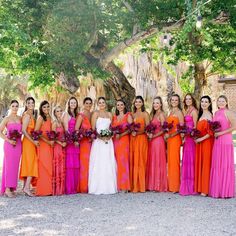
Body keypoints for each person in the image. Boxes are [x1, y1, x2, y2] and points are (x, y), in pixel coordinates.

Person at [88, 97, 117, 195]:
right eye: (99, 102)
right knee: (99, 161)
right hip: (98, 142)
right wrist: (101, 137)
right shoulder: (95, 114)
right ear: (97, 104)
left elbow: (111, 128)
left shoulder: (109, 114)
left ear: (105, 103)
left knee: (108, 161)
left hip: (108, 141)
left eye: (103, 102)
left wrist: (109, 135)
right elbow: (93, 129)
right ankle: (97, 187)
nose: (101, 104)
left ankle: (109, 187)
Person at [209, 95, 236, 198]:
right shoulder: (216, 113)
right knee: (217, 164)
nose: (221, 103)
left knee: (225, 164)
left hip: (225, 141)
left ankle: (226, 191)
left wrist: (221, 133)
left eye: (223, 101)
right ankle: (218, 190)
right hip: (217, 141)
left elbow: (234, 126)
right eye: (219, 101)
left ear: (226, 102)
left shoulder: (229, 112)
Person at [0, 100, 22, 197]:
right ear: (10, 107)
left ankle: (12, 187)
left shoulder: (20, 118)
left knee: (15, 166)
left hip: (18, 144)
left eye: (17, 106)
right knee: (8, 165)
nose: (15, 108)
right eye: (13, 106)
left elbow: (23, 130)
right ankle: (7, 189)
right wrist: (9, 140)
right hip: (9, 145)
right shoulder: (6, 119)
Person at [146, 96, 167, 192]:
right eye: (154, 103)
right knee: (152, 160)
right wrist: (149, 133)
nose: (155, 105)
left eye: (157, 103)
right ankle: (152, 184)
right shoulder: (153, 115)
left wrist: (153, 136)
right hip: (152, 141)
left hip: (158, 140)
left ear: (161, 104)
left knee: (158, 161)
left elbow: (164, 130)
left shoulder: (161, 115)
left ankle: (159, 185)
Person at [129, 96, 150, 193]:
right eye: (136, 102)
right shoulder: (132, 115)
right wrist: (132, 131)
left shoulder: (145, 114)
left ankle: (141, 185)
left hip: (142, 139)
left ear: (142, 103)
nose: (137, 103)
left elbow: (148, 129)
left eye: (139, 102)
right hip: (133, 139)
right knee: (134, 160)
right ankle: (134, 185)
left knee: (141, 160)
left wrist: (138, 133)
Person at [194, 96, 213, 197]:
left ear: (209, 104)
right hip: (199, 142)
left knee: (206, 164)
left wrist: (200, 139)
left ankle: (205, 189)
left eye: (206, 102)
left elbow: (211, 132)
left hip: (206, 143)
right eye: (202, 101)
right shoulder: (200, 115)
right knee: (201, 163)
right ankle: (200, 187)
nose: (204, 103)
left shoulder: (209, 115)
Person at [179, 94, 198, 196]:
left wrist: (188, 133)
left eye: (190, 99)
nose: (188, 100)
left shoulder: (194, 111)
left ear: (193, 100)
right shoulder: (185, 110)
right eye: (186, 99)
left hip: (191, 139)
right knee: (185, 159)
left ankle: (191, 186)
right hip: (186, 138)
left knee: (191, 159)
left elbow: (195, 126)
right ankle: (185, 184)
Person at [112, 99, 132, 192]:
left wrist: (122, 134)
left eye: (121, 105)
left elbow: (131, 128)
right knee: (116, 162)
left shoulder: (128, 115)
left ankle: (125, 186)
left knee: (123, 161)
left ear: (124, 106)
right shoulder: (114, 117)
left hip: (124, 140)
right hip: (115, 141)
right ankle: (118, 185)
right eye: (118, 105)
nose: (120, 106)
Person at [165, 94, 184, 193]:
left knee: (175, 161)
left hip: (175, 139)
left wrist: (171, 135)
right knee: (170, 161)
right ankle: (171, 184)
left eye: (176, 100)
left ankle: (176, 186)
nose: (174, 101)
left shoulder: (179, 112)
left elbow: (181, 128)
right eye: (172, 100)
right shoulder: (170, 111)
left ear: (178, 101)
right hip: (169, 139)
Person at [20, 97, 38, 196]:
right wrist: (33, 141)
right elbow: (23, 130)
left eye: (32, 102)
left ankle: (25, 187)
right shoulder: (27, 115)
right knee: (31, 163)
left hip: (31, 141)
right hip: (28, 142)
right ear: (26, 104)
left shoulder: (32, 114)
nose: (31, 104)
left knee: (29, 162)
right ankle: (27, 188)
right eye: (29, 103)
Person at [35, 100, 53, 196]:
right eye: (44, 107)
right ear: (41, 108)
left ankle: (48, 189)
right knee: (43, 165)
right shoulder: (40, 118)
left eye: (47, 106)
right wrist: (47, 141)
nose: (46, 109)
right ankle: (42, 190)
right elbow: (36, 132)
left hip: (50, 144)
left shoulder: (49, 117)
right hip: (43, 144)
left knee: (49, 165)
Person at [75, 97, 93, 193]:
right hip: (84, 143)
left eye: (90, 103)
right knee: (84, 164)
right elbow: (76, 129)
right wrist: (79, 139)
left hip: (91, 143)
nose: (88, 105)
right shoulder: (81, 115)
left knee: (91, 163)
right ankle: (83, 186)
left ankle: (90, 185)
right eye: (87, 103)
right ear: (83, 104)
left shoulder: (92, 114)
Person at [63, 97, 80, 194]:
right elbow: (66, 130)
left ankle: (75, 187)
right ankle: (69, 187)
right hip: (70, 142)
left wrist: (77, 139)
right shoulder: (66, 114)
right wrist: (73, 140)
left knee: (75, 164)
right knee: (70, 164)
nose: (73, 104)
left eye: (75, 102)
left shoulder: (76, 114)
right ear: (68, 104)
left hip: (76, 141)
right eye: (71, 102)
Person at [52, 106, 66, 195]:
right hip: (57, 146)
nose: (59, 112)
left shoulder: (62, 122)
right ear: (55, 113)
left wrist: (65, 142)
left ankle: (62, 189)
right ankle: (57, 190)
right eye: (57, 111)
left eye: (60, 111)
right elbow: (53, 137)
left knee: (62, 165)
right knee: (58, 164)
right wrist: (61, 143)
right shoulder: (54, 123)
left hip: (63, 146)